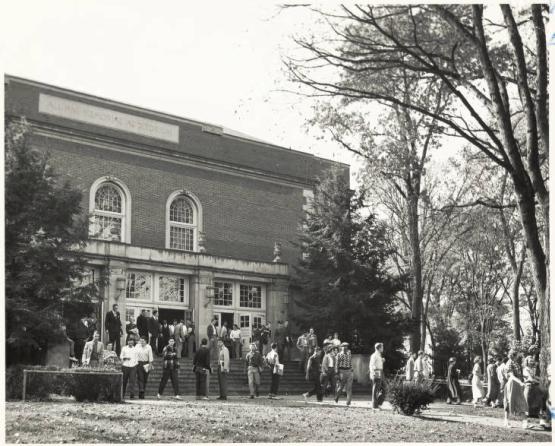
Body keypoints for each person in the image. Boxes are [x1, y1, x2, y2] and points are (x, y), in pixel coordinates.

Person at [503, 350, 529, 429]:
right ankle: (506, 421)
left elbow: (518, 374)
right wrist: (520, 382)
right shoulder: (509, 363)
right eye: (517, 354)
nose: (519, 355)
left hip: (517, 384)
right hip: (512, 384)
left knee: (521, 402)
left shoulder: (515, 363)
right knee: (509, 402)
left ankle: (525, 422)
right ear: (514, 355)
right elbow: (511, 376)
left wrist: (524, 378)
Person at [335, 342, 353, 406]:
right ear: (341, 347)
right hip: (342, 371)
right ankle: (337, 396)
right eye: (344, 346)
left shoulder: (349, 353)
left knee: (349, 387)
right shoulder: (339, 355)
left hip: (349, 371)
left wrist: (351, 369)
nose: (345, 347)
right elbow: (336, 364)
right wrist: (337, 373)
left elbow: (350, 362)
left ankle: (348, 402)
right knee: (341, 386)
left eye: (346, 346)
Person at [369, 342, 385, 411]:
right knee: (376, 389)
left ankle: (378, 403)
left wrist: (382, 361)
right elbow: (371, 365)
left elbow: (377, 363)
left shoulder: (379, 355)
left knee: (384, 388)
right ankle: (375, 406)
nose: (383, 348)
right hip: (376, 372)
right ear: (378, 348)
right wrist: (373, 373)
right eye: (382, 347)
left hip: (381, 371)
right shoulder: (374, 355)